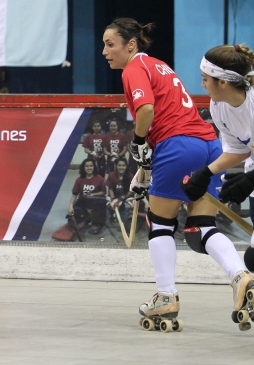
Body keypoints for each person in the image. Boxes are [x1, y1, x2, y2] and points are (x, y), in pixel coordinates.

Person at [103, 18, 252, 331]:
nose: (105, 51)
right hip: (209, 145)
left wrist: (139, 142)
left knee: (160, 224)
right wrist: (146, 164)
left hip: (177, 145)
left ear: (130, 45)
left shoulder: (133, 69)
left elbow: (146, 112)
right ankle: (241, 276)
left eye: (110, 44)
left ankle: (166, 295)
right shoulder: (159, 65)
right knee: (199, 229)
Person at [191, 44, 254, 279]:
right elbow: (239, 149)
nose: (202, 84)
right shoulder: (219, 106)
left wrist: (249, 180)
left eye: (205, 79)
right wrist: (206, 173)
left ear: (223, 83)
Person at [68, 158, 107, 235]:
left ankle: (95, 222)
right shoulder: (79, 180)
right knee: (72, 221)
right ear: (83, 167)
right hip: (82, 201)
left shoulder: (99, 178)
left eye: (91, 166)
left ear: (94, 167)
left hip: (95, 202)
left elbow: (104, 192)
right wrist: (71, 206)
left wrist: (93, 194)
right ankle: (86, 218)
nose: (89, 168)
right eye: (87, 166)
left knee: (97, 218)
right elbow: (75, 194)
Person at [105, 157, 134, 222]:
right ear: (116, 166)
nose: (121, 167)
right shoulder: (111, 175)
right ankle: (111, 216)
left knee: (130, 204)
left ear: (126, 166)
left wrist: (124, 197)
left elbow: (131, 190)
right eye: (119, 165)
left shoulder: (130, 175)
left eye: (123, 165)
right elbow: (110, 188)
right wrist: (113, 198)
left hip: (126, 197)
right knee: (107, 202)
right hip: (115, 196)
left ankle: (126, 219)